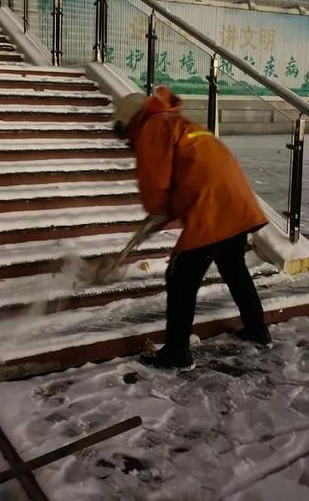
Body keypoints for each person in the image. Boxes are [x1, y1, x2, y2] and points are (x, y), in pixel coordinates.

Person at [111, 87, 271, 370]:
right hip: (235, 200)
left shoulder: (151, 127)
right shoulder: (175, 121)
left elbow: (156, 182)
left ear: (130, 121)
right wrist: (167, 210)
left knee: (180, 276)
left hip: (212, 206)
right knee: (234, 268)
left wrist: (158, 210)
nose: (128, 143)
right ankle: (258, 331)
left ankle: (176, 352)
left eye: (124, 136)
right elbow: (186, 172)